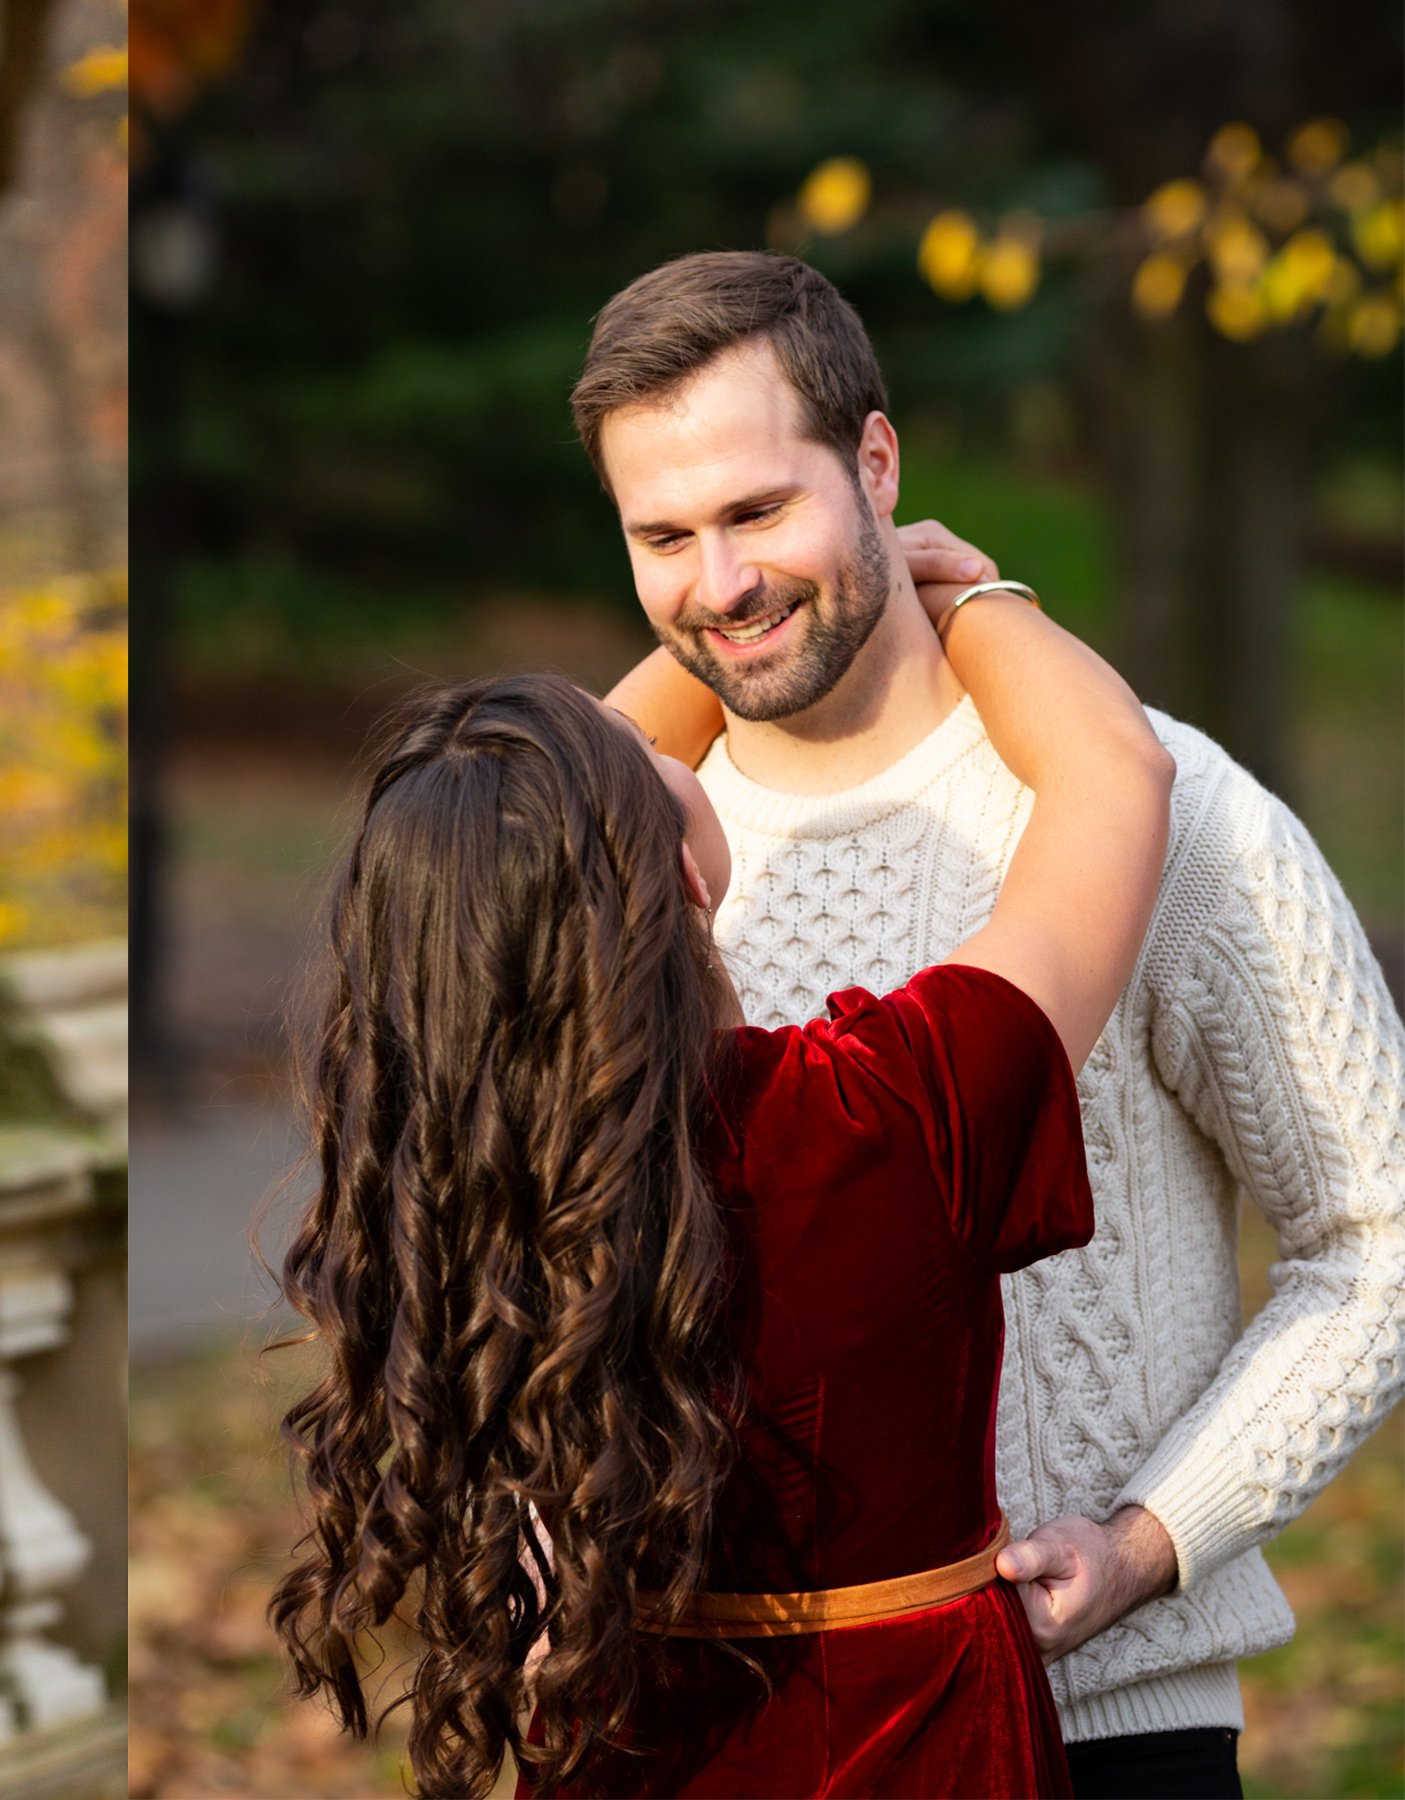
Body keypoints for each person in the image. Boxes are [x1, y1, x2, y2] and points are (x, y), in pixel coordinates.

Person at [573, 252, 1405, 1798]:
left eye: (760, 512)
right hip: (702, 1727)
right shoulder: (616, 868)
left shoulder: (1175, 814)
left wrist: (1156, 1536)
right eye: (662, 536)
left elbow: (1379, 1235)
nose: (720, 583)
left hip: (1105, 1730)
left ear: (876, 464)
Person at [274, 528, 1173, 1792]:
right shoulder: (883, 1110)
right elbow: (1112, 774)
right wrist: (960, 597)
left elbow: (510, 838)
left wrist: (716, 630)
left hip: (620, 1741)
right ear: (671, 870)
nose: (660, 726)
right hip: (910, 1737)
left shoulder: (463, 1190)